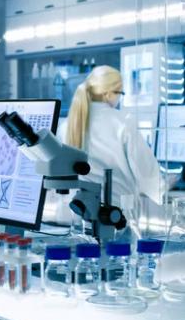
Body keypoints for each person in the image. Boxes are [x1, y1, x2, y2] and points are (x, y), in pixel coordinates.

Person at [64, 65, 164, 212]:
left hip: (77, 212)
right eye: (120, 93)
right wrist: (163, 190)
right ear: (108, 94)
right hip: (116, 213)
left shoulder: (68, 124)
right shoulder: (123, 122)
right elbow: (146, 171)